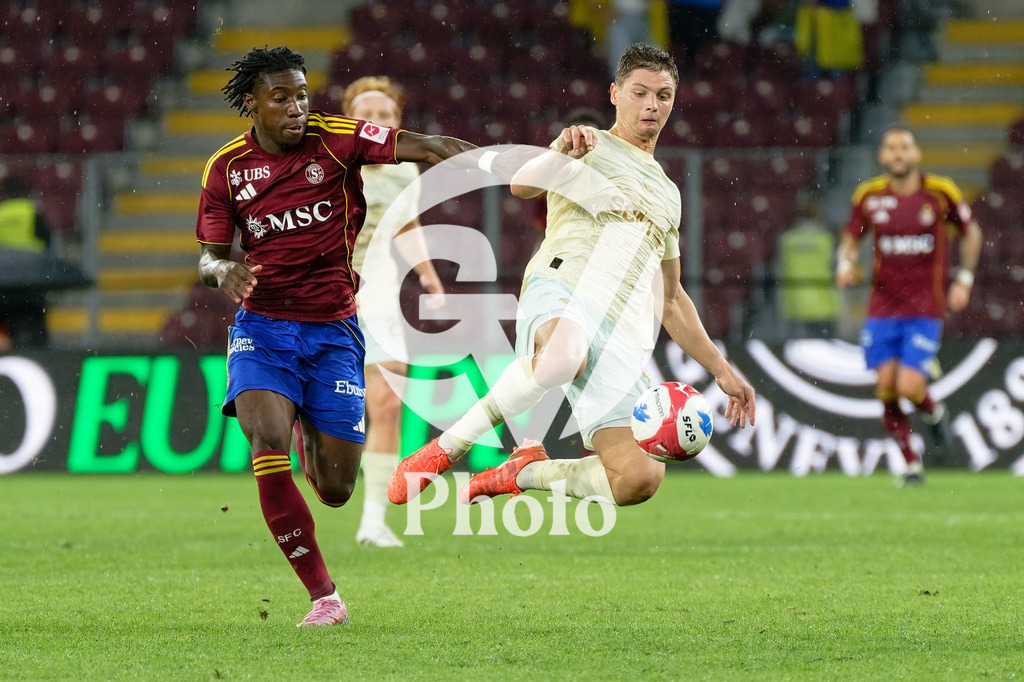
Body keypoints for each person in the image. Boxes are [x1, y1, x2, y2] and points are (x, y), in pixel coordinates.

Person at [195, 46, 495, 627]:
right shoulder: (225, 169)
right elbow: (208, 259)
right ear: (252, 104)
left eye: (302, 94)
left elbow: (423, 146)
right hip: (263, 328)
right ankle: (324, 596)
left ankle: (314, 425)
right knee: (266, 445)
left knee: (336, 489)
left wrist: (483, 162)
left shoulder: (336, 139)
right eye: (281, 97)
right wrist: (223, 270)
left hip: (334, 329)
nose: (296, 107)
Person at [388, 44, 756, 510]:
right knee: (564, 356)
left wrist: (722, 370)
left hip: (617, 326)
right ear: (615, 94)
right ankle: (449, 446)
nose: (651, 105)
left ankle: (526, 471)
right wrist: (560, 146)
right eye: (639, 93)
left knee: (638, 480)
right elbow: (522, 187)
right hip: (562, 287)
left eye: (663, 95)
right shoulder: (589, 145)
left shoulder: (668, 192)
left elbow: (672, 297)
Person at [836, 125, 982, 486]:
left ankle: (934, 412)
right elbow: (851, 238)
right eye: (891, 148)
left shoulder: (940, 192)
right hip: (882, 308)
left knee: (908, 387)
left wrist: (964, 279)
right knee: (886, 386)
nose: (898, 154)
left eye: (905, 147)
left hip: (924, 308)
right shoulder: (869, 196)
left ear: (916, 154)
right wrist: (844, 263)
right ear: (883, 157)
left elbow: (971, 232)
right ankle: (910, 462)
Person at [340, 75, 445, 548]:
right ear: (347, 119)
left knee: (385, 404)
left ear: (398, 123)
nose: (375, 121)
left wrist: (429, 276)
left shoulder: (406, 170)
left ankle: (373, 520)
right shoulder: (330, 160)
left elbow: (408, 228)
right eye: (366, 113)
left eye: (385, 115)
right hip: (323, 294)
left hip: (379, 297)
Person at [0, 175, 51, 349]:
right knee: (36, 320)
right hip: (31, 277)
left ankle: (12, 351)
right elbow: (45, 240)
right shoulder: (31, 209)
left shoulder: (1, 212)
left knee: (9, 321)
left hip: (6, 280)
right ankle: (41, 353)